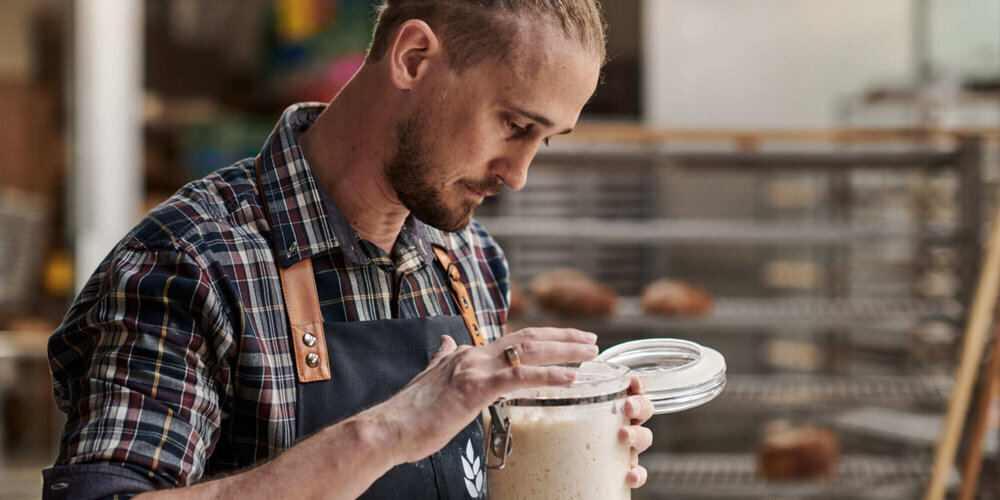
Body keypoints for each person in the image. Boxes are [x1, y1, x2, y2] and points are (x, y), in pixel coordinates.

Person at [44, 1, 654, 498]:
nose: (519, 174)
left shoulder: (469, 259)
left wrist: (565, 466)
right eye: (515, 126)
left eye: (543, 141)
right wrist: (386, 431)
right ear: (414, 58)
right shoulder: (191, 262)